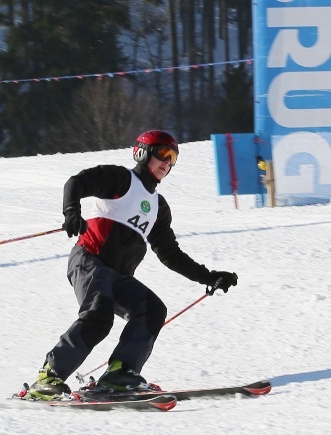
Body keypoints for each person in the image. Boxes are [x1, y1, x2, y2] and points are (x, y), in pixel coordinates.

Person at [27, 130, 238, 400]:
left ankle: (120, 373)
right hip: (89, 260)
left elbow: (170, 254)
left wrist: (208, 276)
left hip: (117, 276)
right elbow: (76, 182)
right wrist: (71, 211)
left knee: (151, 310)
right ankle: (49, 377)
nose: (167, 162)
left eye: (172, 158)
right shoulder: (121, 179)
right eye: (162, 154)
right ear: (142, 152)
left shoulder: (158, 207)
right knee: (99, 314)